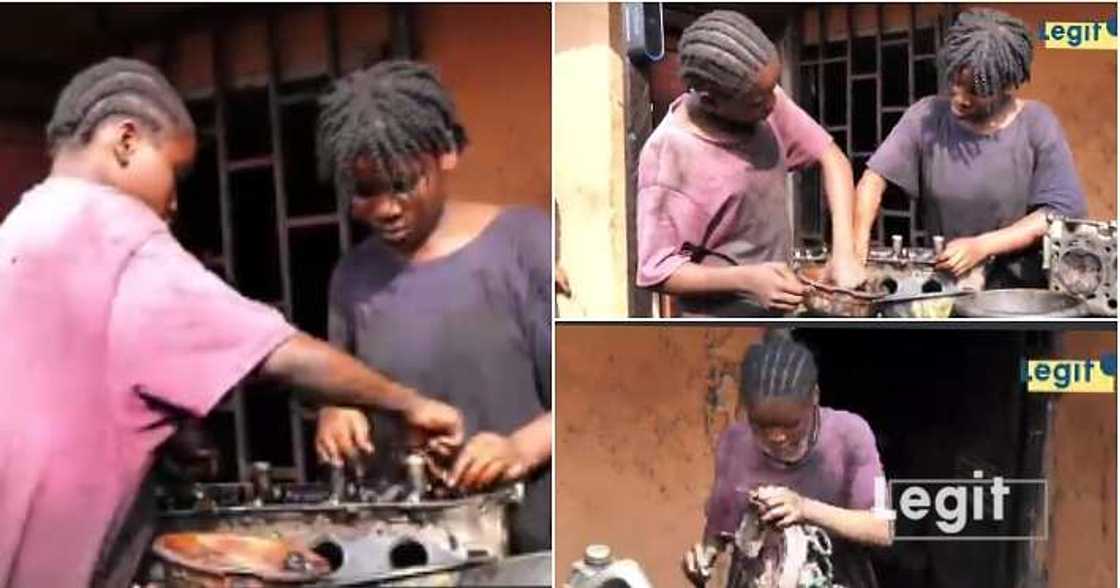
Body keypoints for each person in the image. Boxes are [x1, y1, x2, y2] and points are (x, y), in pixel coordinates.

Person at [0, 57, 465, 587]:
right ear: (126, 141)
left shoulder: (21, 231)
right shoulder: (118, 236)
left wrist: (164, 442)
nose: (174, 202)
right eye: (175, 174)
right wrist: (409, 404)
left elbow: (68, 390)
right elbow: (278, 354)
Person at [312, 60, 552, 553]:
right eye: (364, 192)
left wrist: (519, 449)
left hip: (527, 544)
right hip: (411, 553)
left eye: (401, 184)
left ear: (446, 154)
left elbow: (585, 400)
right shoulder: (352, 278)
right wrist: (336, 412)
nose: (384, 208)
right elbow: (346, 388)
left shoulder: (527, 247)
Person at [636, 10, 865, 318]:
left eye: (773, 89)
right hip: (719, 329)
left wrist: (844, 252)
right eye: (758, 101)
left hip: (779, 315)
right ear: (710, 99)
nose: (771, 105)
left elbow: (832, 159)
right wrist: (746, 279)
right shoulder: (671, 156)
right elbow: (657, 271)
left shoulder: (766, 99)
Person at [853, 8, 1087, 288]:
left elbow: (1059, 211)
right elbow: (872, 181)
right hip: (945, 285)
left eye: (976, 92)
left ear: (1005, 85)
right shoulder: (926, 118)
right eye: (955, 85)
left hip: (1015, 294)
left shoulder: (1037, 123)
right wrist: (855, 250)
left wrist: (983, 246)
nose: (960, 99)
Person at [683, 335, 890, 587]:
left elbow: (883, 529)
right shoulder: (735, 443)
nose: (777, 437)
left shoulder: (851, 434)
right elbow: (719, 531)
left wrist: (804, 509)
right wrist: (703, 559)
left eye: (792, 425)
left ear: (814, 396)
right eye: (761, 426)